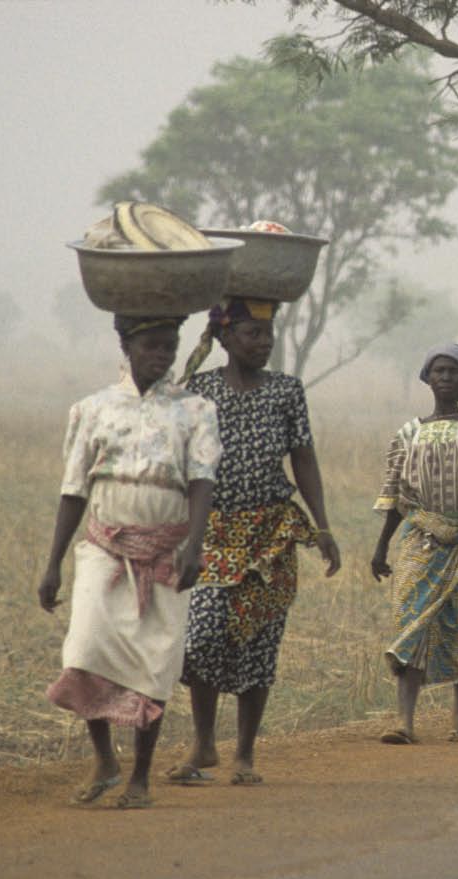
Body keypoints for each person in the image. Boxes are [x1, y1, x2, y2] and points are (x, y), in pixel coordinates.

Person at [38, 313, 219, 809]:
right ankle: (104, 759)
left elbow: (203, 480)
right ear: (127, 346)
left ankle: (140, 776)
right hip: (104, 548)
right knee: (85, 650)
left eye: (170, 346)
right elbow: (74, 489)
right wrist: (52, 563)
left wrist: (194, 547)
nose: (162, 356)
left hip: (165, 552)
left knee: (155, 663)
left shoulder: (196, 410)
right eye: (152, 347)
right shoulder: (92, 409)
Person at [166, 297, 340, 788]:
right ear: (224, 338)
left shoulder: (287, 391)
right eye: (251, 334)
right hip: (214, 531)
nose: (263, 344)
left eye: (267, 335)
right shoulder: (198, 392)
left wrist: (322, 528)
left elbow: (303, 458)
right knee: (201, 638)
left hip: (270, 533)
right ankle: (203, 740)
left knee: (259, 643)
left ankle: (244, 753)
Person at [370, 343, 458, 744]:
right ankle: (404, 720)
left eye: (454, 373)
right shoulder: (407, 434)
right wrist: (381, 547)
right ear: (427, 379)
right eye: (439, 371)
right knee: (413, 619)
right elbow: (395, 493)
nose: (445, 378)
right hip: (421, 538)